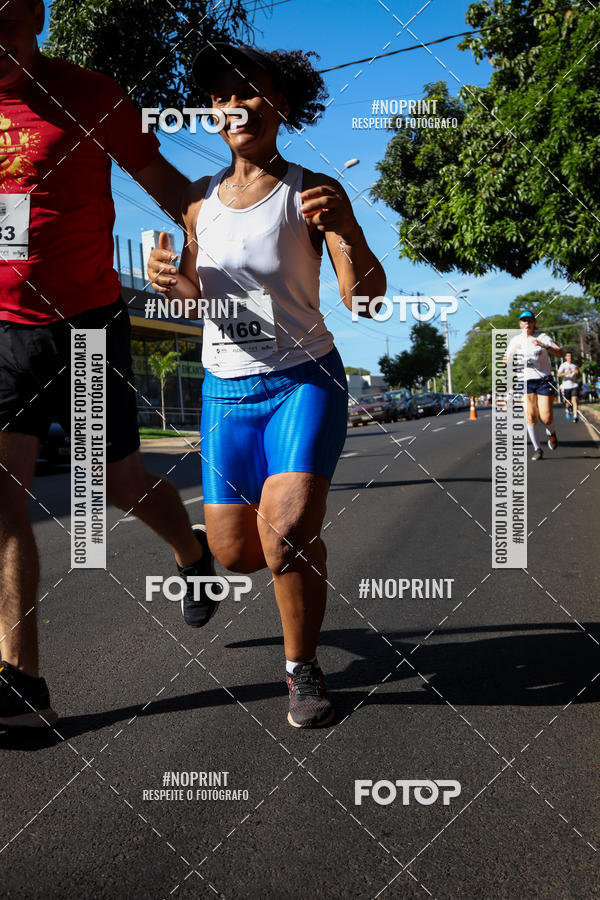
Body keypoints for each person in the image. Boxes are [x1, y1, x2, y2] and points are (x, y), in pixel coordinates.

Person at [147, 43, 386, 728]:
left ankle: (301, 668)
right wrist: (175, 285)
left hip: (302, 379)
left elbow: (366, 300)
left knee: (284, 537)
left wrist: (349, 229)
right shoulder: (197, 204)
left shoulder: (313, 192)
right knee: (237, 554)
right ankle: (203, 548)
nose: (233, 104)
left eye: (249, 90)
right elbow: (202, 297)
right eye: (220, 95)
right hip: (226, 389)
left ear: (281, 104)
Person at [0, 0, 216, 729]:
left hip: (89, 320)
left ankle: (192, 554)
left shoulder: (91, 94)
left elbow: (172, 188)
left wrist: (199, 255)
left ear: (34, 15)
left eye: (2, 19)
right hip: (6, 331)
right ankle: (22, 684)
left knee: (116, 481)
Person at [505, 311, 562, 461]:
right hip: (525, 381)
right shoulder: (515, 340)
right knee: (530, 415)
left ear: (534, 323)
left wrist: (545, 346)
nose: (527, 324)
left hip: (543, 380)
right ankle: (537, 449)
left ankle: (552, 433)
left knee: (546, 417)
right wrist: (509, 357)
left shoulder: (542, 337)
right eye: (524, 321)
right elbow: (505, 360)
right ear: (520, 324)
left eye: (530, 321)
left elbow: (560, 353)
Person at [557, 352, 580, 422]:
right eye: (568, 356)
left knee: (575, 400)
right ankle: (567, 409)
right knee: (568, 402)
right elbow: (558, 374)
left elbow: (579, 374)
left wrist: (577, 372)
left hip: (574, 385)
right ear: (566, 357)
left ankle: (575, 416)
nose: (570, 357)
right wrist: (567, 373)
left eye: (570, 356)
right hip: (566, 386)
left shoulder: (574, 365)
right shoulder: (563, 365)